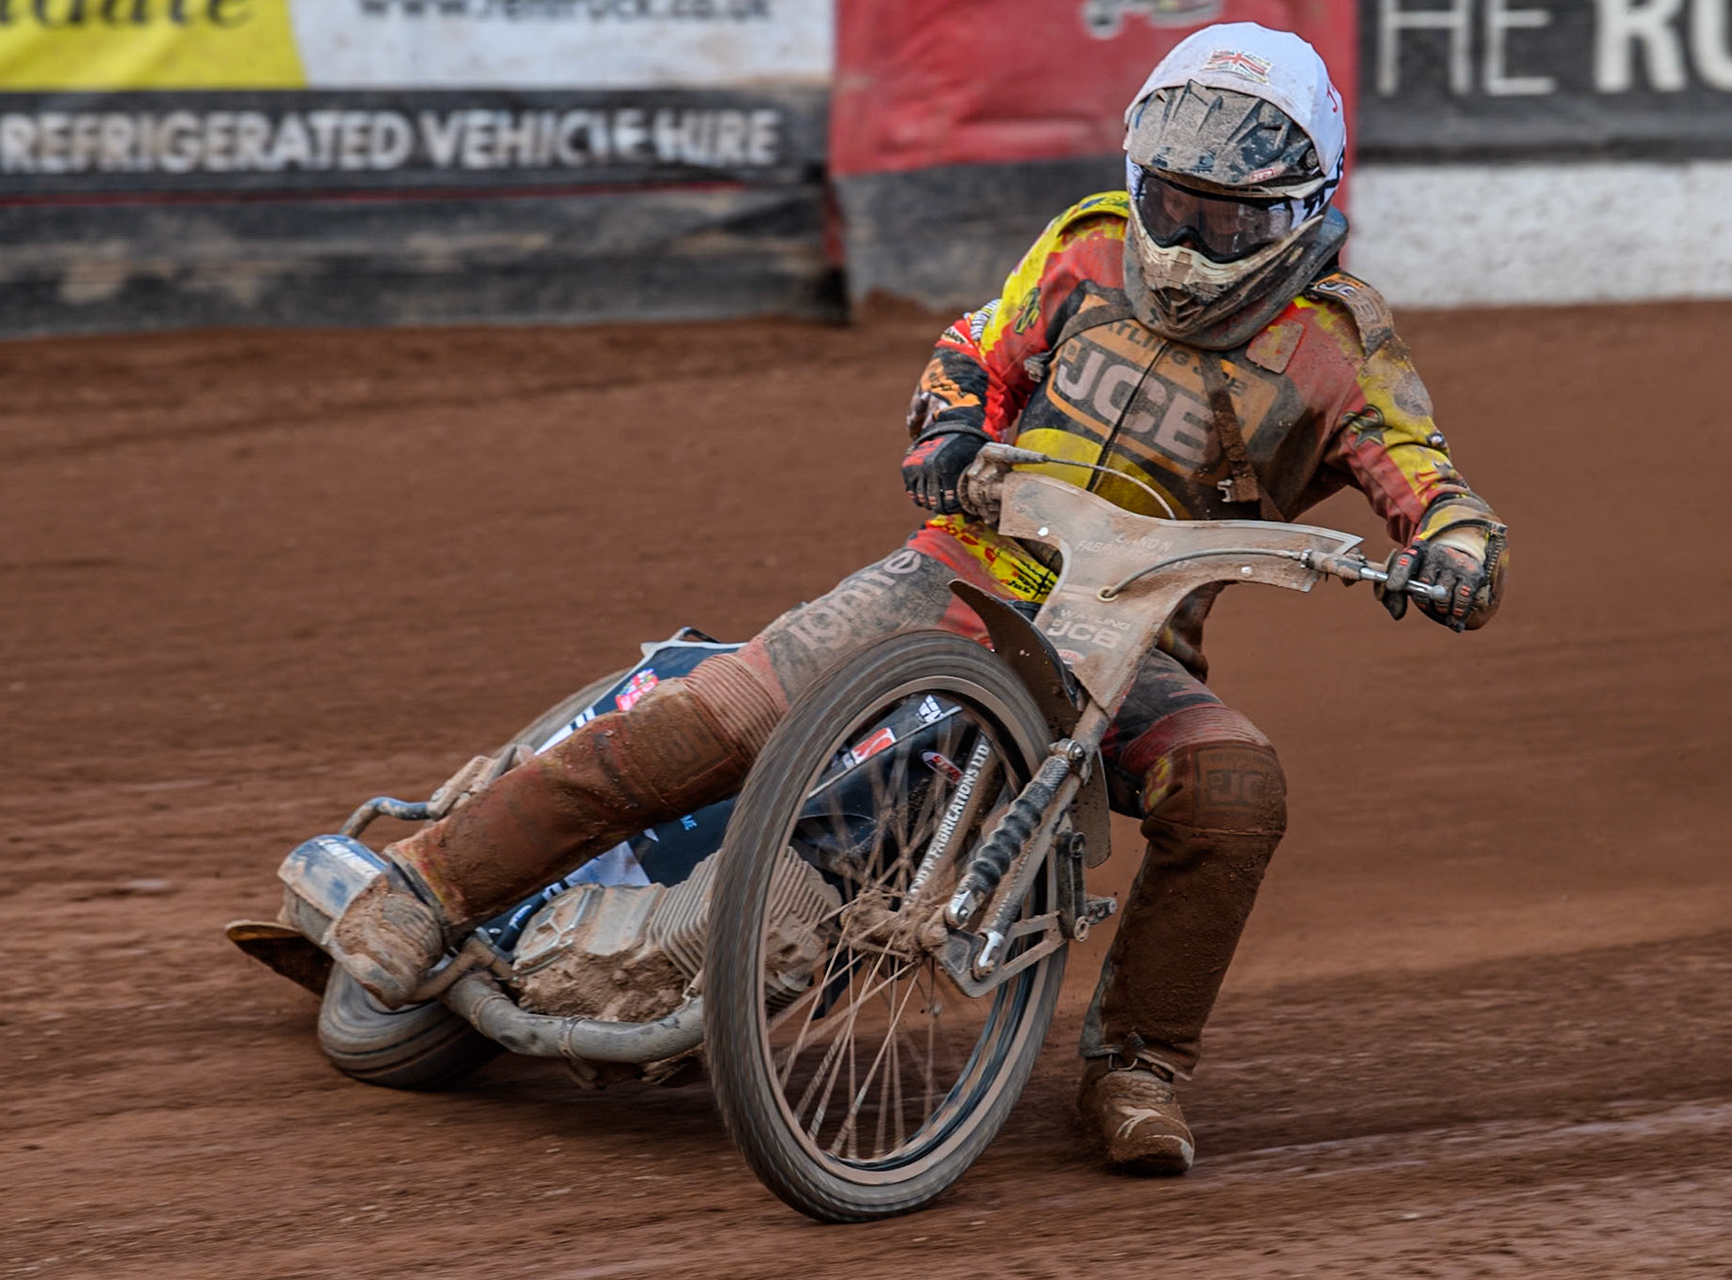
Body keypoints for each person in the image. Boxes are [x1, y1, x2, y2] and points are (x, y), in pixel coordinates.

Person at [317, 22, 1507, 1176]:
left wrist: (1454, 546)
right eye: (1175, 203)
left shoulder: (1337, 345)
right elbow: (973, 352)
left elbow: (1423, 471)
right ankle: (428, 888)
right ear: (1139, 179)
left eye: (1225, 217)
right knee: (723, 714)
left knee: (1235, 787)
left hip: (1128, 641)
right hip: (955, 571)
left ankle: (1138, 1069)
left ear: (1300, 209)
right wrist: (947, 430)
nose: (1189, 240)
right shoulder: (1088, 249)